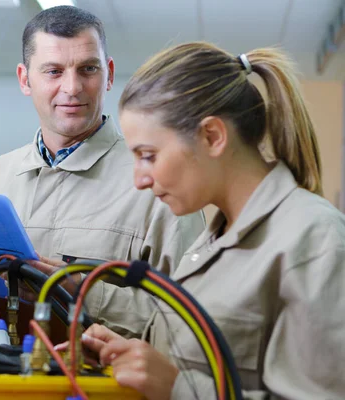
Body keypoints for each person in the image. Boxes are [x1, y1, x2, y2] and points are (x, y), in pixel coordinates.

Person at [56, 42, 345, 399]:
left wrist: (176, 388)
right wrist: (133, 356)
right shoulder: (210, 242)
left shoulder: (314, 239)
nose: (139, 180)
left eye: (148, 156)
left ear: (212, 136)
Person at [0, 6, 205, 338]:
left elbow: (193, 322)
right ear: (24, 79)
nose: (72, 87)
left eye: (88, 69)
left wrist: (85, 293)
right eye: (53, 71)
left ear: (109, 74)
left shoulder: (161, 184)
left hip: (102, 388)